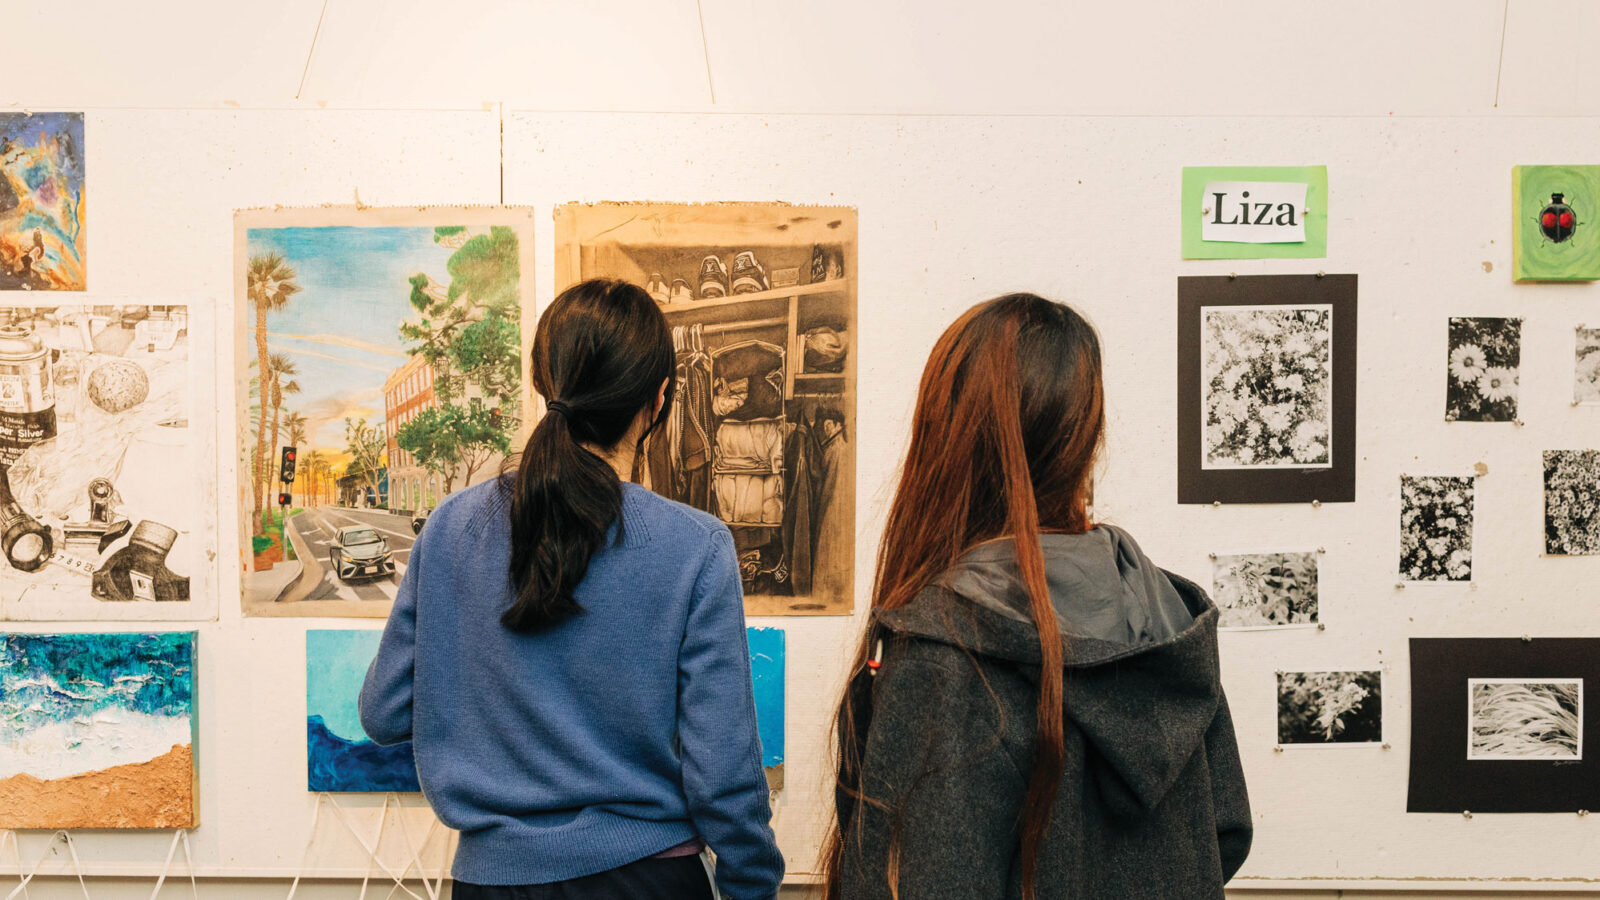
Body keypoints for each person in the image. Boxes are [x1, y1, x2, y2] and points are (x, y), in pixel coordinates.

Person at [361, 279, 783, 900]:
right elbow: (723, 770)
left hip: (492, 884)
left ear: (543, 382)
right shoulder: (695, 545)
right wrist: (752, 887)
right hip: (648, 880)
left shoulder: (450, 528)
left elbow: (384, 713)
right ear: (659, 399)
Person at [821, 293, 1251, 900]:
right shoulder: (1167, 616)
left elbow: (909, 882)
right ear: (1085, 439)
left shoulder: (944, 649)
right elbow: (1225, 831)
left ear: (945, 438)